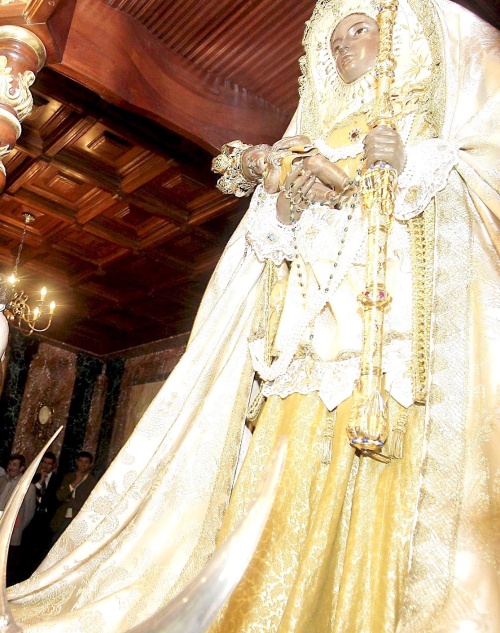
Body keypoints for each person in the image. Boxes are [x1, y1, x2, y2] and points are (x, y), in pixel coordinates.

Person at [5, 1, 500, 632]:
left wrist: (394, 167)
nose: (345, 47)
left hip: (382, 344)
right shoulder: (312, 136)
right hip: (304, 342)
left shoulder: (420, 127)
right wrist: (289, 194)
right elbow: (276, 241)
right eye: (335, 42)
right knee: (280, 474)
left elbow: (453, 200)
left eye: (360, 30)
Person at [20, 452, 61, 579]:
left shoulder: (58, 479)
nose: (46, 466)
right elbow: (28, 493)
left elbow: (56, 498)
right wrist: (40, 481)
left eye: (49, 464)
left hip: (47, 518)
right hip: (33, 517)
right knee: (27, 547)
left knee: (41, 549)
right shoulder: (34, 477)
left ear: (53, 465)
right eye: (44, 463)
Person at [0, 455, 36, 586]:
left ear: (21, 468)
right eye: (10, 464)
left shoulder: (28, 486)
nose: (11, 467)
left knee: (7, 566)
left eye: (14, 465)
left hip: (11, 532)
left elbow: (29, 513)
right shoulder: (2, 480)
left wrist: (16, 527)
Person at [49, 451, 96, 544]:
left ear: (90, 464)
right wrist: (75, 482)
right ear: (77, 462)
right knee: (53, 542)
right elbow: (59, 496)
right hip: (62, 516)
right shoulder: (68, 477)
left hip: (78, 518)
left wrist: (70, 501)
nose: (83, 464)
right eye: (81, 461)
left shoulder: (93, 481)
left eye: (86, 462)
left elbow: (88, 502)